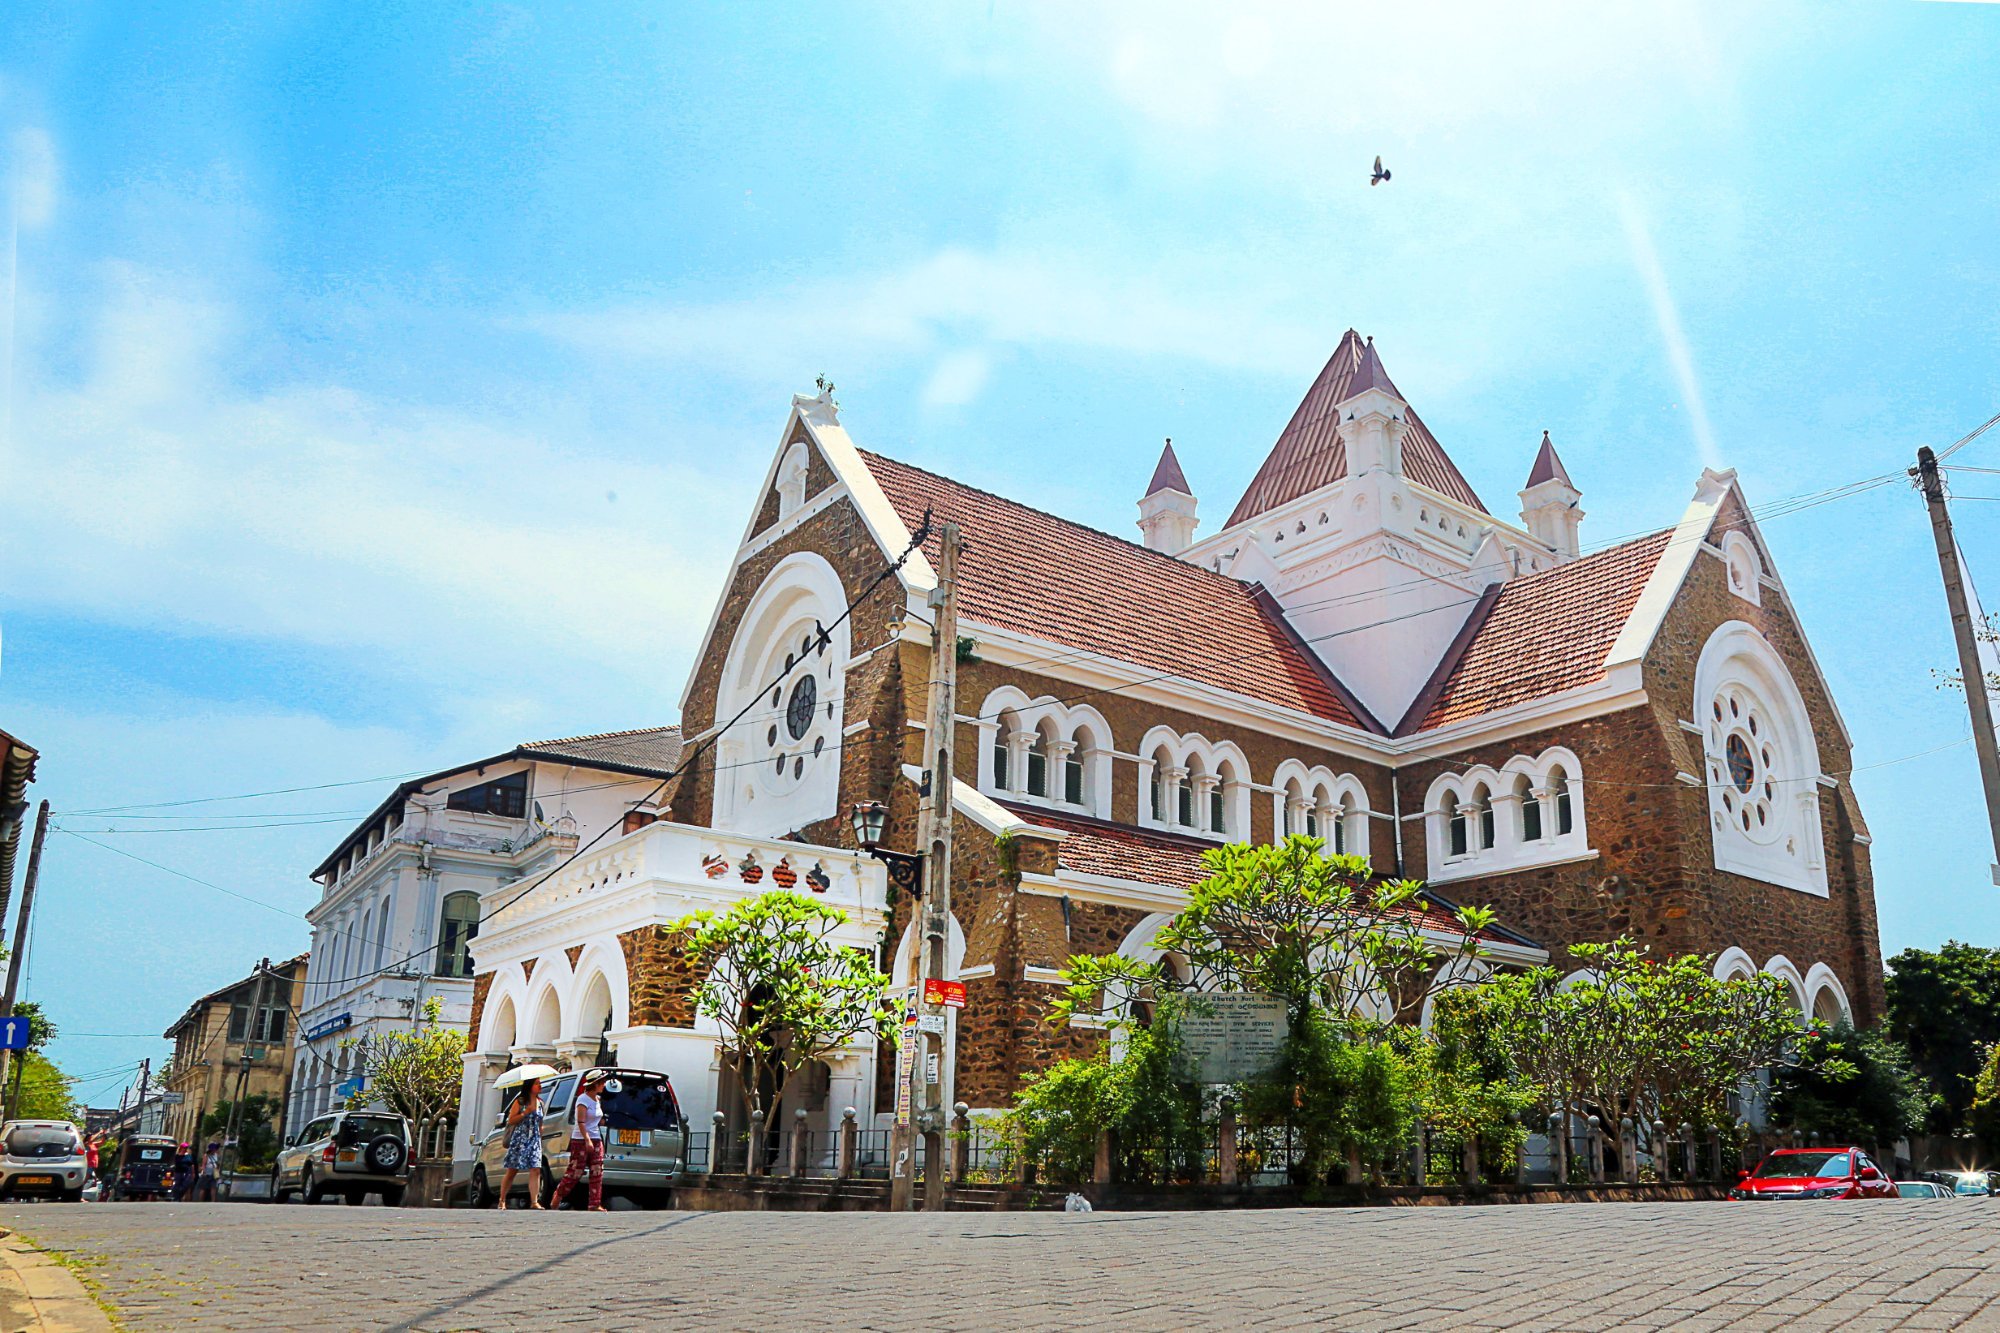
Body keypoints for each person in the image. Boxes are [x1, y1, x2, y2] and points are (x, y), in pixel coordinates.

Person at [549, 1072, 609, 1212]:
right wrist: (587, 1140)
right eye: (602, 1082)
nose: (604, 1085)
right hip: (581, 1139)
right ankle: (558, 1195)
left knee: (597, 1171)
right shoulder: (583, 1099)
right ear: (596, 1084)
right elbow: (581, 1122)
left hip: (596, 1137)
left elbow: (595, 1119)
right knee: (575, 1171)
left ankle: (594, 1203)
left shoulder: (597, 1100)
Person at [496, 1077, 545, 1210]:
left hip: (534, 1139)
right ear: (529, 1086)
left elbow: (540, 1121)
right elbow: (511, 1120)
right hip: (520, 1139)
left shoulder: (541, 1103)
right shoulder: (520, 1101)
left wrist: (540, 1131)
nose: (539, 1086)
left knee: (535, 1169)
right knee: (513, 1169)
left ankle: (534, 1201)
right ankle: (502, 1199)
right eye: (536, 1083)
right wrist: (525, 1113)